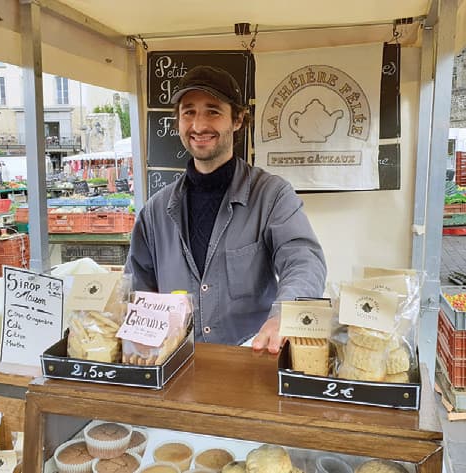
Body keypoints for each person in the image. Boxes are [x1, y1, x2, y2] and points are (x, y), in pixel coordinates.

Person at [125, 65, 327, 353]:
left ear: (238, 120)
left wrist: (287, 313)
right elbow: (137, 287)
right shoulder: (155, 212)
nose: (198, 125)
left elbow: (304, 261)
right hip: (176, 366)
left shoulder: (271, 196)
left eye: (213, 111)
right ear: (178, 122)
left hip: (250, 362)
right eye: (189, 112)